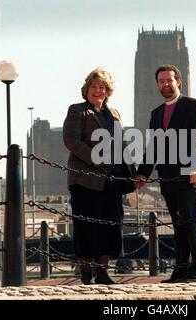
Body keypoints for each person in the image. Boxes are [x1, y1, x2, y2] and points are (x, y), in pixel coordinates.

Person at [136, 64, 196, 283]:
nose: (165, 84)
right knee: (178, 226)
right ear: (157, 84)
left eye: (169, 80)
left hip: (189, 175)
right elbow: (152, 147)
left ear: (179, 81)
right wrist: (143, 174)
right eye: (161, 81)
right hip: (167, 178)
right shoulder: (156, 114)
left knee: (191, 223)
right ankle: (180, 270)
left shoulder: (193, 105)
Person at [63, 68, 135, 285]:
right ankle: (86, 273)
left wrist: (133, 172)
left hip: (112, 179)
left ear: (108, 91)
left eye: (102, 87)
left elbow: (122, 145)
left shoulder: (114, 114)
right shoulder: (78, 111)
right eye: (94, 86)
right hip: (85, 179)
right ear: (87, 89)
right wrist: (97, 159)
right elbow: (71, 141)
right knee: (87, 226)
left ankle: (103, 272)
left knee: (111, 224)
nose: (98, 90)